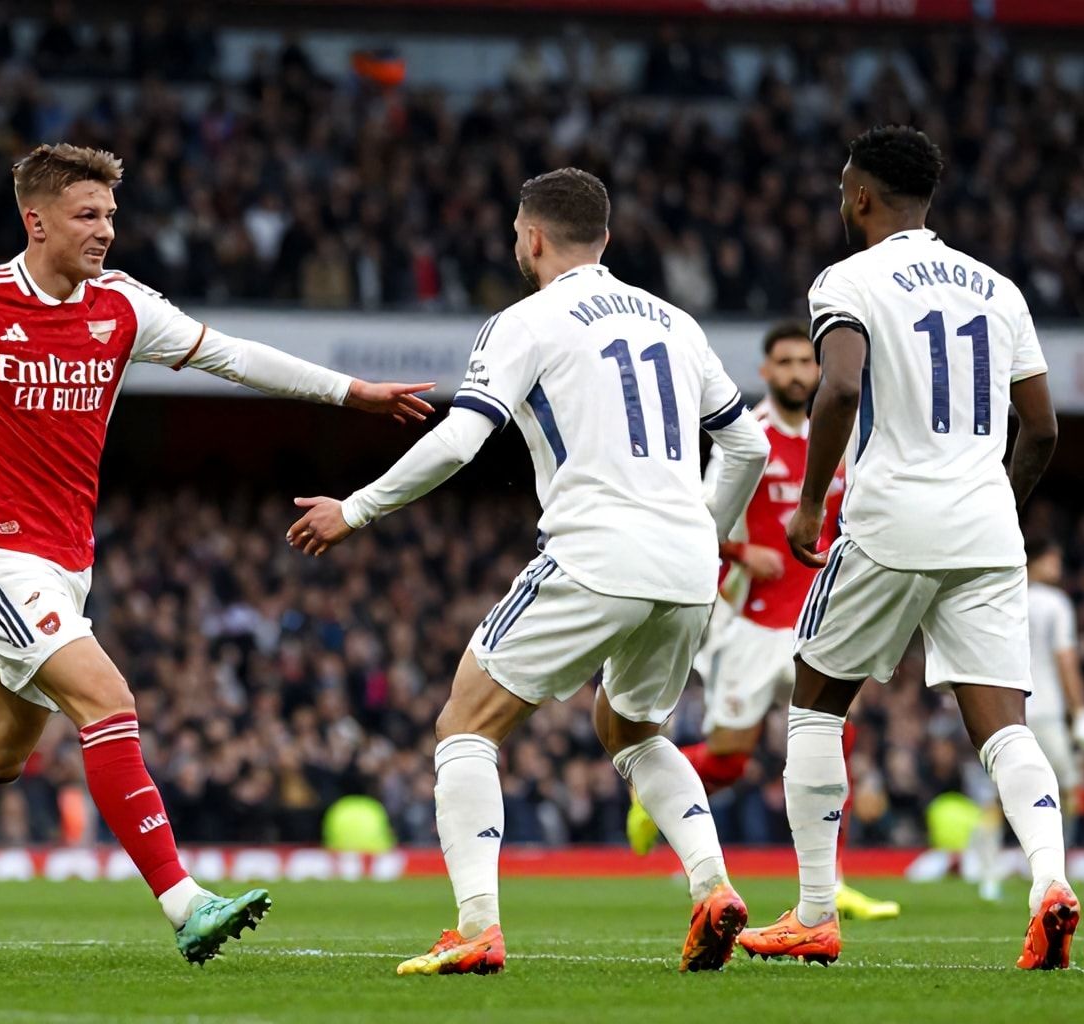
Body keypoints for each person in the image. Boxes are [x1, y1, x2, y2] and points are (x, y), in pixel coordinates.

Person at [0, 143, 435, 966]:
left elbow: (234, 356)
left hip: (68, 565)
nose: (105, 231)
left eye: (110, 216)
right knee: (107, 700)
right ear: (36, 221)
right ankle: (186, 903)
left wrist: (351, 392)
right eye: (87, 215)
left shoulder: (124, 306)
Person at [287, 168, 770, 975]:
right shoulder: (676, 322)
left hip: (597, 551)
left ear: (533, 238)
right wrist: (703, 532)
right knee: (633, 731)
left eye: (518, 235)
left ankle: (477, 925)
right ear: (605, 239)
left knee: (465, 724)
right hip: (688, 564)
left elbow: (459, 439)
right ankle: (713, 886)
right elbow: (746, 445)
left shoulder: (525, 320)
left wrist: (357, 509)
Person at [738, 125, 1075, 969]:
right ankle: (1050, 883)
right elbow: (1041, 428)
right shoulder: (998, 288)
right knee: (1004, 726)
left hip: (891, 519)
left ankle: (815, 910)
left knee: (815, 704)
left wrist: (809, 504)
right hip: (987, 527)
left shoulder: (847, 280)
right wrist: (995, 502)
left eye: (841, 187)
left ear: (860, 196)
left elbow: (840, 388)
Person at [625, 321, 899, 922]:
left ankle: (833, 882)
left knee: (837, 737)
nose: (799, 373)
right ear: (767, 371)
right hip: (750, 623)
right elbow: (701, 518)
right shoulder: (747, 437)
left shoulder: (840, 436)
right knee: (730, 759)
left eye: (807, 362)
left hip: (816, 620)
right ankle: (651, 791)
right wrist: (743, 551)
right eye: (786, 363)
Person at [973, 536, 1084, 901]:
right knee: (1066, 790)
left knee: (999, 796)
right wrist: (1080, 711)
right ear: (1036, 561)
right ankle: (1053, 870)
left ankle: (987, 873)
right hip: (1047, 714)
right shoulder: (1055, 603)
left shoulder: (1001, 595)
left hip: (1007, 711)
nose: (1058, 567)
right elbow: (1065, 659)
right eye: (1053, 560)